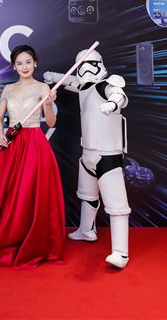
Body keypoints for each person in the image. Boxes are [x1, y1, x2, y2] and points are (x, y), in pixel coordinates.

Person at [0, 45, 66, 269]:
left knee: (29, 191)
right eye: (19, 63)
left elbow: (51, 123)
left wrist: (49, 104)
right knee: (5, 190)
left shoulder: (43, 87)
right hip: (11, 142)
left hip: (34, 143)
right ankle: (3, 235)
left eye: (28, 62)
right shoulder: (8, 89)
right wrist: (0, 134)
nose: (24, 66)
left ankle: (30, 239)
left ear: (35, 63)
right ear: (14, 66)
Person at [44, 47, 131, 269]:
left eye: (91, 65)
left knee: (117, 205)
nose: (86, 70)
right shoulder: (85, 87)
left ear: (99, 64)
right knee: (87, 195)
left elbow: (118, 94)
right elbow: (71, 80)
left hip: (108, 154)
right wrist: (53, 76)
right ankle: (86, 230)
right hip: (88, 152)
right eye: (82, 66)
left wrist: (113, 104)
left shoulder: (106, 84)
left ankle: (120, 253)